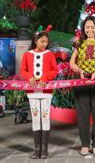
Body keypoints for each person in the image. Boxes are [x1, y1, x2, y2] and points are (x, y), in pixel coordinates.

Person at [69, 16, 95, 156]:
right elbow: (72, 62)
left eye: (92, 27)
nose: (90, 30)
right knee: (82, 113)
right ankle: (85, 144)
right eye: (87, 27)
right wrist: (79, 71)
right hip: (81, 80)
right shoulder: (79, 42)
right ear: (83, 29)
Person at [20, 26, 58, 159]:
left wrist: (44, 78)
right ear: (35, 40)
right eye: (42, 41)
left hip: (46, 91)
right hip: (32, 91)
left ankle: (45, 149)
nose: (44, 44)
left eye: (46, 42)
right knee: (35, 118)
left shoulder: (49, 54)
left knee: (45, 117)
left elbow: (55, 70)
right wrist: (29, 77)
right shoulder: (27, 54)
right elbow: (23, 70)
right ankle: (37, 149)